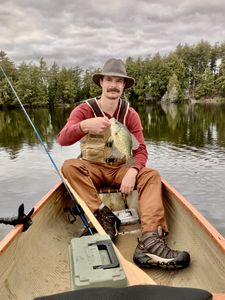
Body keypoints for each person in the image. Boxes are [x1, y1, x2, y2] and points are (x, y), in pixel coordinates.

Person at [58, 58, 190, 270]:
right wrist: (83, 126)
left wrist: (133, 170)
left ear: (123, 86)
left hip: (121, 168)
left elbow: (141, 149)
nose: (113, 85)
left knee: (151, 175)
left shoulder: (130, 114)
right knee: (69, 166)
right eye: (109, 79)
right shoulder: (84, 110)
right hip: (93, 169)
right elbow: (62, 139)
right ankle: (103, 215)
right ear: (101, 82)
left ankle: (150, 240)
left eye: (118, 81)